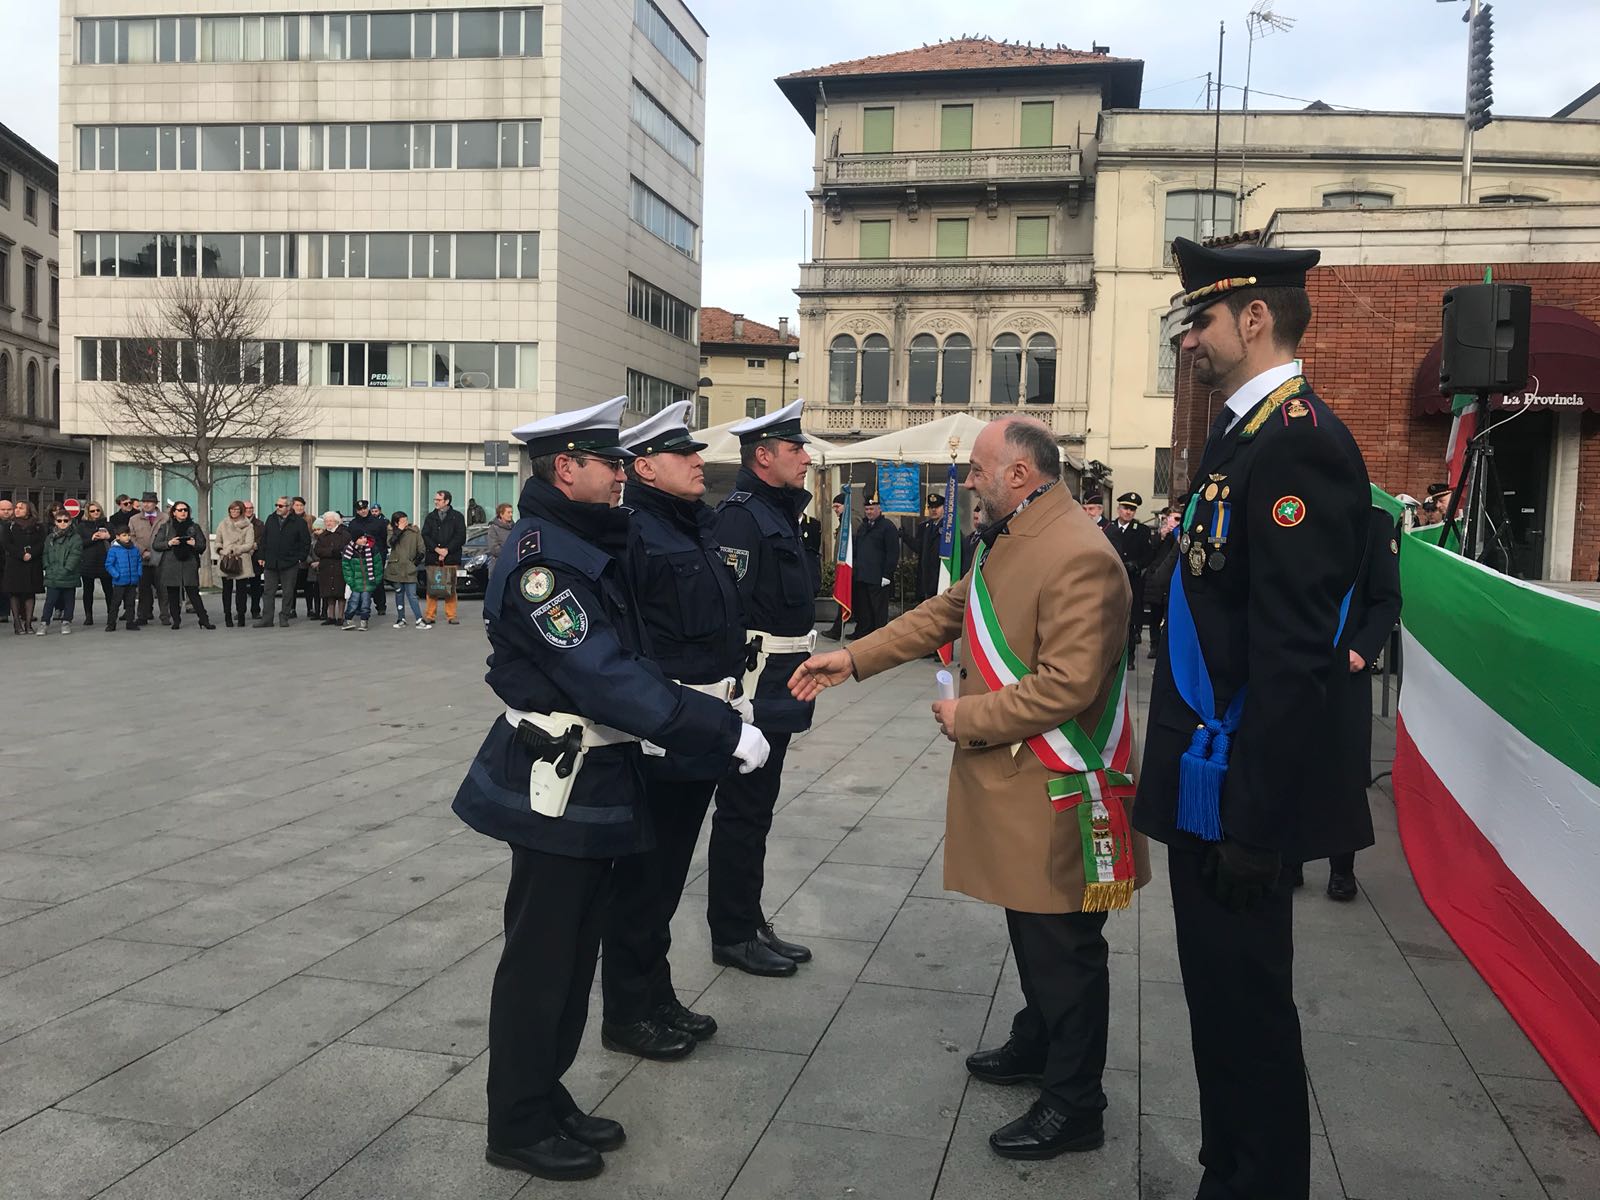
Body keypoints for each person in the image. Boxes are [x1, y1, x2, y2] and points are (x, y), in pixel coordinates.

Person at [791, 415, 1142, 1159]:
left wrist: (970, 716)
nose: (970, 480)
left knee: (1065, 947)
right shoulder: (1014, 535)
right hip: (1020, 781)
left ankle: (1076, 1101)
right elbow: (945, 614)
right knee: (1031, 925)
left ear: (1020, 473)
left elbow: (1070, 684)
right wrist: (852, 661)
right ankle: (1039, 1038)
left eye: (979, 468)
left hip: (1057, 783)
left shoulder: (1079, 553)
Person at [451, 397, 767, 1182]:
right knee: (542, 956)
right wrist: (718, 728)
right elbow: (599, 672)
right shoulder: (543, 563)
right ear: (566, 468)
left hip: (596, 774)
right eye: (610, 462)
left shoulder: (580, 540)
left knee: (573, 949)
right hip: (559, 779)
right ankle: (516, 1119)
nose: (623, 474)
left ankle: (544, 1093)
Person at [1133, 237, 1370, 1200]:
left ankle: (1259, 1181)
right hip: (1212, 779)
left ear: (1254, 319)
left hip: (1238, 795)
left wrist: (1256, 829)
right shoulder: (1244, 433)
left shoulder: (1299, 439)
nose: (1190, 338)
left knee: (1250, 1011)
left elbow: (1291, 661)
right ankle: (1227, 1168)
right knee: (1219, 1005)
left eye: (1201, 319)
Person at [602, 401, 751, 1062]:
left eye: (696, 452)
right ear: (645, 468)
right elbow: (629, 644)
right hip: (662, 734)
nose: (699, 462)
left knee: (666, 877)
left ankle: (656, 995)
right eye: (684, 455)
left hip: (699, 730)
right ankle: (628, 1012)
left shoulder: (689, 527)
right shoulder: (634, 533)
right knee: (645, 880)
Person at [708, 399, 820, 977]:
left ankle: (748, 919)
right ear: (763, 456)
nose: (807, 457)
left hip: (780, 684)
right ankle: (732, 931)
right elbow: (731, 607)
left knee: (758, 811)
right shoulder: (742, 516)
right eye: (796, 448)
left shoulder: (778, 513)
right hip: (753, 687)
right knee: (743, 812)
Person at [1305, 504, 1402, 901]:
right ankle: (1289, 858)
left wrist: (1364, 649)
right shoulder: (1295, 511)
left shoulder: (1375, 522)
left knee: (1343, 770)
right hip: (1297, 660)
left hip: (1346, 666)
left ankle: (1341, 867)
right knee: (1290, 760)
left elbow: (1386, 599)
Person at [1102, 492, 1154, 659]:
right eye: (1125, 508)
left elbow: (1148, 555)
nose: (1128, 512)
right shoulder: (1108, 528)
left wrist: (1136, 564)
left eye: (1132, 509)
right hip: (1112, 579)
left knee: (1130, 618)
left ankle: (1129, 655)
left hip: (1132, 580)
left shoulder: (1142, 531)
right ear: (1118, 509)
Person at [155, 502, 214, 630]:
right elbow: (156, 545)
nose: (183, 512)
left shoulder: (194, 527)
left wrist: (194, 543)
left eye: (185, 510)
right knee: (173, 595)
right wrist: (169, 543)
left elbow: (202, 546)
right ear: (174, 512)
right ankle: (176, 620)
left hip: (189, 563)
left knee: (193, 593)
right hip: (171, 564)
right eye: (180, 510)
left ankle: (204, 619)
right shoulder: (166, 527)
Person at [255, 496, 311, 628]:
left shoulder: (298, 522)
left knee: (288, 591)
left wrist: (300, 558)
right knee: (268, 591)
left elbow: (305, 542)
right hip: (271, 562)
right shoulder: (271, 519)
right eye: (276, 505)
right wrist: (261, 556)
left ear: (288, 507)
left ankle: (284, 616)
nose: (277, 508)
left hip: (289, 563)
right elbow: (264, 539)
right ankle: (267, 619)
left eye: (280, 506)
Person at [850, 493, 899, 639]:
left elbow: (892, 552)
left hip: (878, 577)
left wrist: (887, 574)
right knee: (864, 608)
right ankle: (864, 633)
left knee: (878, 610)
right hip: (862, 575)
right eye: (867, 509)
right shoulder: (863, 526)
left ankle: (880, 636)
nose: (869, 512)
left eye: (872, 509)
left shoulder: (887, 527)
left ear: (879, 509)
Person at [423, 489, 467, 625]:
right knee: (432, 587)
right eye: (435, 499)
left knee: (450, 587)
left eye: (439, 500)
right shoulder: (430, 517)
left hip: (451, 556)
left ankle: (451, 615)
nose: (436, 502)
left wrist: (447, 550)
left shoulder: (457, 516)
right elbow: (425, 535)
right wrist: (437, 550)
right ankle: (430, 615)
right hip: (433, 556)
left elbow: (460, 536)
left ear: (446, 501)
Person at [1143, 509, 1181, 659]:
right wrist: (1162, 535)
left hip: (1170, 582)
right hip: (1158, 582)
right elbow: (1150, 553)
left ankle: (1163, 647)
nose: (1175, 522)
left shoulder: (1178, 534)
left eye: (1179, 519)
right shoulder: (1162, 535)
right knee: (1154, 616)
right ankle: (1154, 645)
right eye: (1174, 519)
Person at [38, 509, 84, 634]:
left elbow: (75, 555)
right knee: (50, 601)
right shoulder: (50, 537)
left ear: (70, 522)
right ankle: (44, 622)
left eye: (65, 521)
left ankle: (66, 622)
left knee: (69, 600)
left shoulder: (75, 538)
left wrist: (66, 569)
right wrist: (47, 567)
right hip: (52, 574)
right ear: (55, 522)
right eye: (59, 521)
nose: (62, 523)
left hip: (69, 575)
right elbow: (45, 553)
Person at [127, 492, 169, 627]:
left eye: (149, 502)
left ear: (155, 503)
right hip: (142, 559)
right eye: (144, 501)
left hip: (161, 559)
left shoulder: (165, 518)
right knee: (143, 589)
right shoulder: (134, 519)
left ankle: (165, 615)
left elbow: (169, 537)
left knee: (163, 590)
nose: (146, 504)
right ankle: (143, 616)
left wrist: (158, 550)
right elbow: (131, 538)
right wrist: (142, 551)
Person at [3, 500, 45, 633]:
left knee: (29, 593)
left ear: (28, 510)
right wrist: (22, 555)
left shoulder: (38, 526)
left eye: (21, 508)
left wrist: (31, 553)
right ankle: (17, 623)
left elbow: (42, 542)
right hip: (15, 563)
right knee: (14, 592)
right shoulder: (9, 526)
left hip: (32, 563)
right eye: (16, 507)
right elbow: (7, 544)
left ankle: (28, 623)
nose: (17, 510)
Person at [214, 500, 257, 628]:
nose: (234, 512)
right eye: (232, 510)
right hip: (226, 559)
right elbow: (217, 541)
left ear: (242, 511)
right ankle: (227, 615)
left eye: (237, 510)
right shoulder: (223, 524)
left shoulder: (248, 526)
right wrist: (221, 551)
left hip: (241, 560)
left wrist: (237, 549)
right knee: (226, 591)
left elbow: (250, 544)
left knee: (241, 591)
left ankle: (241, 615)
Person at [900, 491, 946, 603]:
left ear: (944, 507)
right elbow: (919, 547)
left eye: (937, 507)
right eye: (930, 507)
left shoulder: (948, 527)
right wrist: (905, 537)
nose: (933, 510)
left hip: (941, 575)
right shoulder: (925, 527)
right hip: (926, 576)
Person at [346, 500, 389, 617]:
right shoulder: (353, 524)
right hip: (360, 556)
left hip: (376, 554)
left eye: (364, 508)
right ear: (357, 511)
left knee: (377, 581)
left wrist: (382, 555)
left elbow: (383, 539)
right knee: (361, 581)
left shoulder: (378, 522)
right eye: (360, 509)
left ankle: (381, 606)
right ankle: (360, 607)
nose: (363, 511)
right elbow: (351, 540)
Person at [384, 512, 427, 628]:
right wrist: (399, 530)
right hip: (396, 567)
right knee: (399, 593)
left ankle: (419, 618)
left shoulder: (414, 531)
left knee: (412, 594)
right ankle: (400, 618)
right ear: (396, 522)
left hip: (409, 568)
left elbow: (422, 549)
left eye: (406, 520)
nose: (405, 523)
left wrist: (415, 563)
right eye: (402, 521)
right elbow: (390, 543)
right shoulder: (391, 531)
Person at [76, 502, 114, 627]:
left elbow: (116, 538)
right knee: (88, 591)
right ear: (88, 512)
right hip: (88, 561)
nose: (96, 512)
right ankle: (88, 616)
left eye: (98, 510)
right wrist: (92, 538)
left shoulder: (107, 524)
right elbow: (78, 543)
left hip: (105, 561)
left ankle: (111, 614)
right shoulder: (82, 526)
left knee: (108, 590)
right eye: (92, 511)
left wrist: (108, 536)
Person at [342, 519, 380, 631]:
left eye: (364, 537)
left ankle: (364, 621)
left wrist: (376, 580)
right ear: (355, 540)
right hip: (355, 582)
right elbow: (346, 567)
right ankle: (348, 619)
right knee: (353, 602)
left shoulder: (372, 550)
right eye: (361, 538)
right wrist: (350, 581)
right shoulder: (349, 551)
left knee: (366, 602)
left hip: (369, 581)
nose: (364, 540)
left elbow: (377, 566)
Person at [315, 512, 352, 626]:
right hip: (326, 567)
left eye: (330, 521)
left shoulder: (345, 534)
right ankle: (330, 616)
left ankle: (341, 616)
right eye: (326, 521)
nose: (328, 523)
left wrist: (336, 553)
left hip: (340, 566)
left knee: (340, 593)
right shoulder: (322, 536)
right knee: (329, 593)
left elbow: (347, 548)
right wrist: (331, 552)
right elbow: (318, 550)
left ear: (336, 521)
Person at [104, 525, 143, 631]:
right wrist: (116, 575)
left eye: (128, 535)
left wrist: (139, 573)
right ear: (118, 537)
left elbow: (139, 561)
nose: (127, 538)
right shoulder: (114, 550)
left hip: (132, 580)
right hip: (119, 581)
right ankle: (111, 623)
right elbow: (109, 564)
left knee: (130, 603)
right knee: (116, 603)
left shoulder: (134, 549)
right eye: (124, 535)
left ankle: (130, 622)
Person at [242, 500, 266, 619]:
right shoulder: (237, 523)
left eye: (251, 508)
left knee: (255, 586)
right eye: (246, 508)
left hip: (255, 558)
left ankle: (255, 610)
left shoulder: (260, 524)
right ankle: (240, 610)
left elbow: (264, 540)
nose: (249, 510)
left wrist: (259, 551)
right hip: (241, 558)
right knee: (241, 586)